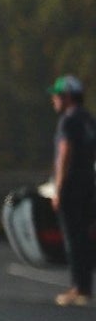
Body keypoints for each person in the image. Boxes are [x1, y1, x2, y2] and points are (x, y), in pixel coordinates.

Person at [49, 74, 96, 305]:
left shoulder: (68, 120)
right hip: (89, 184)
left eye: (56, 96)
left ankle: (79, 289)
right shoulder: (88, 119)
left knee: (73, 239)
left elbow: (65, 153)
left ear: (67, 97)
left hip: (72, 187)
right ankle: (85, 286)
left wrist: (58, 188)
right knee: (85, 238)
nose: (54, 100)